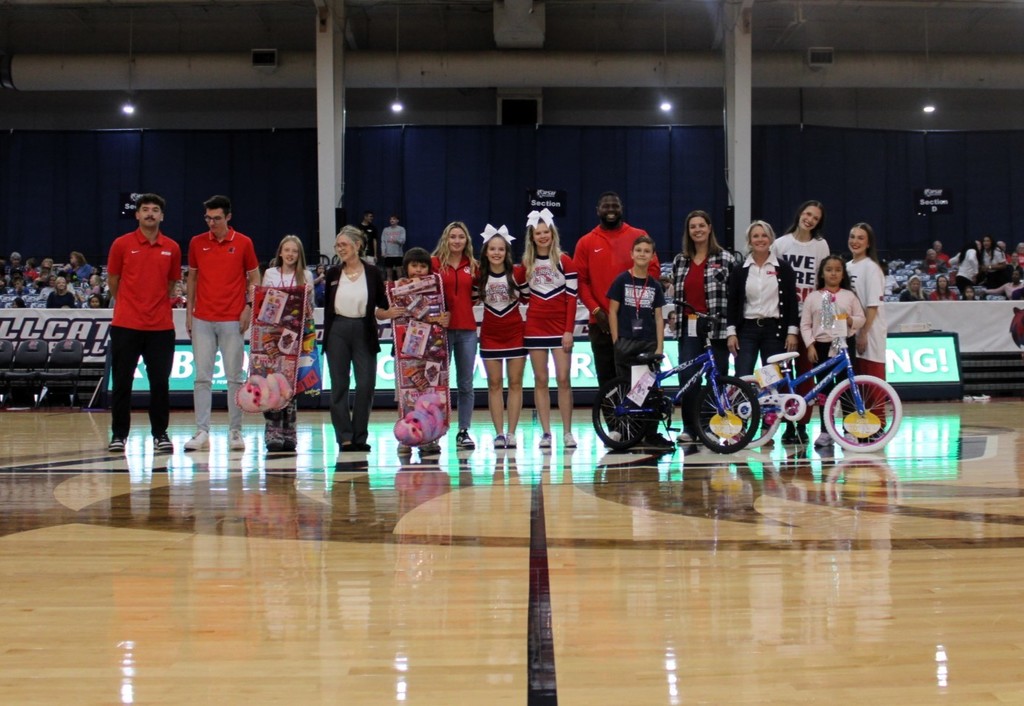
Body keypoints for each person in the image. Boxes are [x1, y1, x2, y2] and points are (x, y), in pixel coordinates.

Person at [184, 194, 261, 452]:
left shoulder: (244, 242)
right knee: (201, 378)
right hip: (202, 319)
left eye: (217, 218)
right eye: (208, 218)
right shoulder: (196, 242)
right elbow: (192, 279)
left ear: (228, 217)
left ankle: (235, 431)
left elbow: (255, 279)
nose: (212, 223)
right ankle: (201, 431)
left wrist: (249, 307)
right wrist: (189, 312)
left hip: (232, 319)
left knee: (234, 378)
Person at [105, 193, 181, 454]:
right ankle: (119, 435)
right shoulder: (121, 244)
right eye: (145, 209)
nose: (150, 213)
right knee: (122, 383)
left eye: (155, 209)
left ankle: (160, 434)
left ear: (162, 216)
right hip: (126, 325)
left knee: (160, 384)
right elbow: (113, 281)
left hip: (161, 327)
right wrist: (131, 305)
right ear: (137, 214)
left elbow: (171, 283)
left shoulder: (172, 247)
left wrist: (152, 303)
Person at [574, 191, 660, 391]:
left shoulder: (638, 236)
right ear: (598, 210)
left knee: (641, 384)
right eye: (606, 206)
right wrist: (597, 311)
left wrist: (633, 307)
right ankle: (612, 414)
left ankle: (642, 413)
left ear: (622, 209)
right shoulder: (586, 242)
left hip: (637, 323)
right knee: (608, 383)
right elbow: (581, 282)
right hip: (601, 323)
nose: (611, 210)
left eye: (615, 206)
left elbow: (653, 272)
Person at [324, 226, 397, 453]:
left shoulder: (373, 273)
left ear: (357, 245)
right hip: (337, 329)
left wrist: (389, 313)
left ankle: (360, 435)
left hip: (364, 330)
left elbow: (382, 305)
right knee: (339, 385)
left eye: (344, 244)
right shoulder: (332, 273)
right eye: (337, 245)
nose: (340, 249)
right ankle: (344, 437)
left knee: (366, 384)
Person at [671, 210, 735, 445]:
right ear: (688, 232)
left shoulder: (725, 258)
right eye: (693, 226)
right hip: (688, 326)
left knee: (716, 378)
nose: (697, 230)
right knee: (689, 378)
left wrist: (732, 329)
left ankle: (709, 427)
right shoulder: (680, 260)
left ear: (709, 228)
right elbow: (676, 295)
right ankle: (690, 427)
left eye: (701, 225)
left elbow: (734, 297)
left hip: (717, 327)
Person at [772, 200, 831, 445]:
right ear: (800, 214)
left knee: (807, 374)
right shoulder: (780, 244)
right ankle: (787, 423)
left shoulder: (821, 245)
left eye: (815, 218)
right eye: (807, 214)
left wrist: (826, 321)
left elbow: (826, 283)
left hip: (811, 319)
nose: (809, 220)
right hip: (783, 316)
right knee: (783, 373)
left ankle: (803, 424)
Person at [522, 208, 578, 450]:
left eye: (546, 232)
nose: (543, 236)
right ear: (532, 237)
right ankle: (546, 432)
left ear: (553, 233)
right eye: (538, 233)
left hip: (560, 328)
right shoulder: (527, 263)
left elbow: (572, 298)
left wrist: (568, 330)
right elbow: (524, 295)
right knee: (541, 379)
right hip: (535, 326)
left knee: (563, 379)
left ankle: (567, 431)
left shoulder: (565, 261)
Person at [800, 255, 866, 448]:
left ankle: (849, 430)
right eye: (829, 270)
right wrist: (810, 345)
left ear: (843, 274)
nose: (833, 273)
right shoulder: (813, 298)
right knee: (824, 390)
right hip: (820, 347)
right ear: (822, 273)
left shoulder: (849, 296)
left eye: (837, 270)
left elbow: (861, 318)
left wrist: (850, 320)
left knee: (847, 388)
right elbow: (805, 324)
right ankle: (826, 431)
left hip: (844, 345)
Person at [392, 247, 450, 456]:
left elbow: (446, 312)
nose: (418, 270)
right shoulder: (395, 288)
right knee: (406, 395)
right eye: (414, 265)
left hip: (432, 352)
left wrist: (445, 318)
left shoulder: (438, 289)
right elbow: (381, 311)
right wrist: (388, 312)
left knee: (431, 394)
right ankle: (405, 436)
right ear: (406, 267)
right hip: (405, 353)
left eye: (423, 266)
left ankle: (430, 438)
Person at [475, 225, 529, 449]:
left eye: (501, 249)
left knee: (515, 383)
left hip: (515, 333)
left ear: (507, 252)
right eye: (492, 249)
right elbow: (472, 299)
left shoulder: (518, 274)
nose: (496, 253)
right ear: (486, 252)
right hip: (490, 335)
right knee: (494, 384)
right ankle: (498, 433)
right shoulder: (479, 275)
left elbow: (527, 298)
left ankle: (512, 432)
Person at [726, 220, 799, 378]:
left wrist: (792, 332)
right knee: (743, 377)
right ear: (749, 241)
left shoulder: (784, 269)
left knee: (774, 379)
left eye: (764, 235)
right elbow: (732, 304)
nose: (760, 239)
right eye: (756, 236)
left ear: (771, 239)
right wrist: (731, 333)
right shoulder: (739, 271)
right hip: (746, 331)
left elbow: (792, 303)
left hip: (775, 330)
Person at [261, 234, 314, 452]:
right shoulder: (270, 274)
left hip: (296, 338)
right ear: (280, 252)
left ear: (299, 255)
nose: (290, 254)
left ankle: (289, 431)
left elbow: (310, 310)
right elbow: (263, 305)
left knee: (291, 386)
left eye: (294, 251)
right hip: (273, 337)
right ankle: (272, 430)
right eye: (287, 250)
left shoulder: (306, 276)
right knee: (272, 383)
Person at [431, 221, 479, 450]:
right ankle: (433, 431)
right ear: (446, 239)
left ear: (466, 240)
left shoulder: (474, 266)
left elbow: (476, 296)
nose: (457, 240)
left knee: (466, 383)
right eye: (453, 237)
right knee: (438, 383)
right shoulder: (434, 264)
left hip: (467, 330)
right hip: (441, 331)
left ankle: (463, 431)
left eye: (461, 237)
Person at [607, 234, 667, 380]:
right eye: (638, 250)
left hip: (648, 342)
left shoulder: (655, 285)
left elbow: (659, 318)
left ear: (652, 256)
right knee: (625, 385)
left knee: (646, 387)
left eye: (647, 251)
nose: (642, 254)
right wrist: (616, 341)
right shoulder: (621, 280)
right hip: (625, 340)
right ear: (631, 254)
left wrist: (660, 347)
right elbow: (612, 311)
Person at [846, 222, 888, 379]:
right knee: (854, 385)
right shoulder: (846, 267)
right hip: (849, 335)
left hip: (869, 336)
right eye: (852, 237)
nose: (855, 241)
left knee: (872, 384)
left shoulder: (872, 268)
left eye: (860, 238)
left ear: (869, 243)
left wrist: (863, 334)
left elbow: (873, 306)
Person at [380, 214, 407, 281]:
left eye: (394, 219)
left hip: (398, 254)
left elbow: (403, 240)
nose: (392, 220)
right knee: (389, 274)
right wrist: (383, 251)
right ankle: (389, 286)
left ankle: (400, 286)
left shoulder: (401, 229)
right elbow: (383, 241)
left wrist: (396, 240)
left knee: (399, 274)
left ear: (397, 220)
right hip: (388, 254)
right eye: (391, 219)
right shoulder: (386, 230)